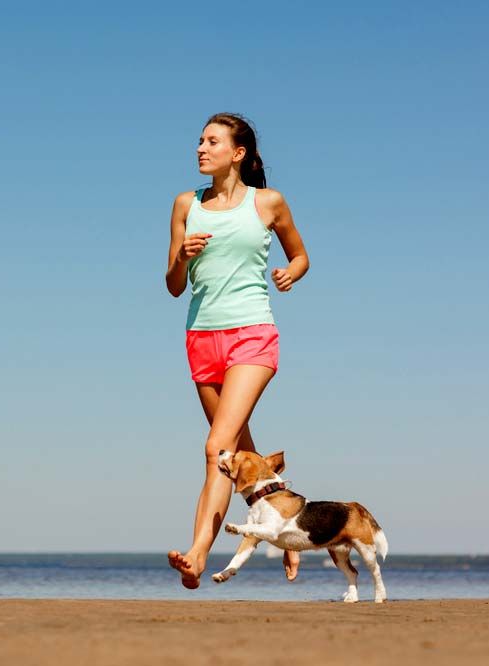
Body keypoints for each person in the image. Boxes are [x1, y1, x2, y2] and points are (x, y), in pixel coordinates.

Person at [165, 113, 310, 589]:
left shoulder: (267, 202)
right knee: (242, 454)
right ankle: (287, 530)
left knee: (218, 449)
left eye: (212, 141)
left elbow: (300, 254)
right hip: (201, 338)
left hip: (252, 333)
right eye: (199, 141)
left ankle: (197, 554)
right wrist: (182, 258)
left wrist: (293, 272)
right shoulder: (187, 204)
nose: (200, 149)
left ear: (238, 152)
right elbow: (171, 286)